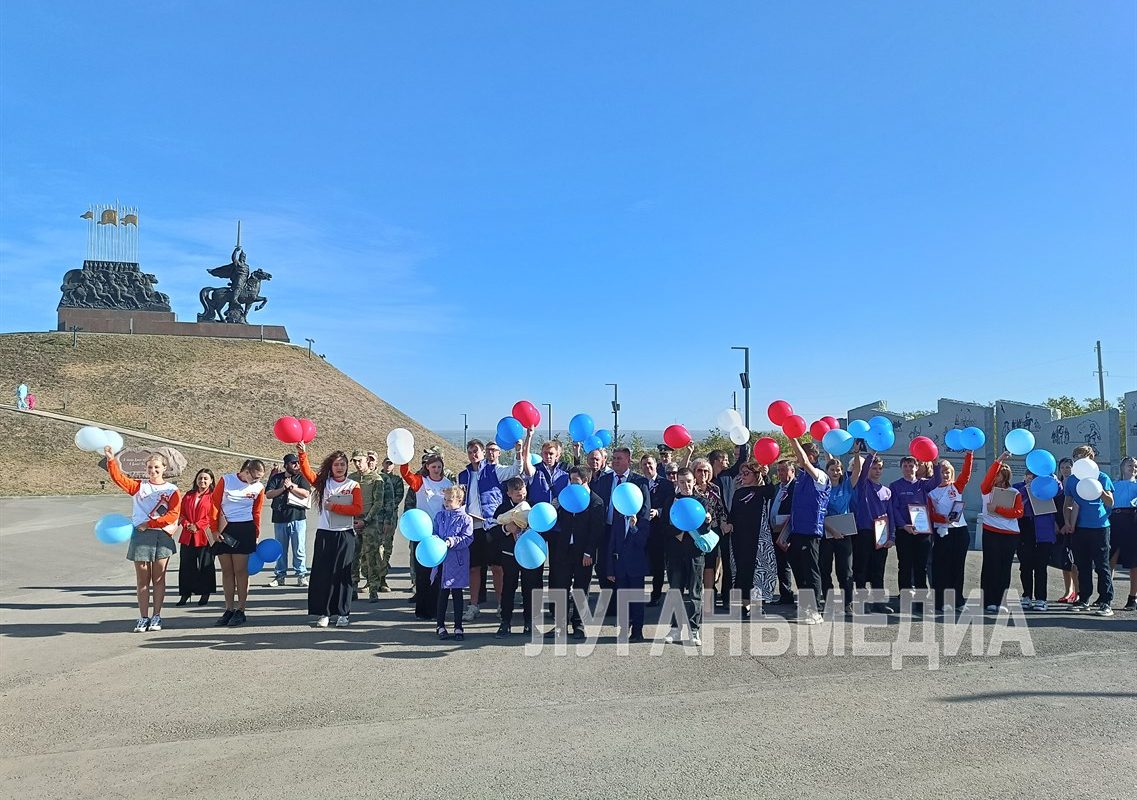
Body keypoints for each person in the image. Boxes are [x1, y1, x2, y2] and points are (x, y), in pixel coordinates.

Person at [103, 446, 181, 632]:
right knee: (142, 580)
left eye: (156, 468)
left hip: (162, 535)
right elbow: (119, 479)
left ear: (164, 468)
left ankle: (156, 616)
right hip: (140, 535)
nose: (153, 471)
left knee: (159, 578)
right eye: (149, 468)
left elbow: (172, 514)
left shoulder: (172, 490)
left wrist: (150, 524)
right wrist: (111, 460)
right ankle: (143, 617)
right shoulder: (139, 486)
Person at [298, 444, 364, 627]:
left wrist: (334, 507)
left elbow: (357, 509)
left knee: (342, 575)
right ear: (331, 466)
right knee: (324, 575)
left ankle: (343, 613)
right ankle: (325, 613)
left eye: (343, 464)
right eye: (336, 464)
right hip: (325, 534)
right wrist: (302, 453)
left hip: (345, 535)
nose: (340, 467)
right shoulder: (324, 482)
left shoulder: (353, 485)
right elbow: (307, 473)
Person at [459, 439, 521, 621]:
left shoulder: (494, 470)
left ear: (482, 452)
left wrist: (518, 452)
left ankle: (502, 605)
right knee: (474, 568)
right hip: (472, 526)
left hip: (492, 525)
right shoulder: (463, 475)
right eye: (470, 451)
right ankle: (473, 605)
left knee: (497, 568)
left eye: (476, 451)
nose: (473, 454)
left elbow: (515, 471)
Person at [549, 466, 605, 639]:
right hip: (564, 550)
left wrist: (589, 553)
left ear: (585, 481)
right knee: (561, 587)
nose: (571, 483)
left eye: (574, 480)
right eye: (570, 480)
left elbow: (597, 530)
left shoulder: (596, 501)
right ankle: (560, 626)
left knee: (581, 589)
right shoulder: (565, 497)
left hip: (584, 554)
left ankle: (578, 625)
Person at [211, 459, 266, 627]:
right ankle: (228, 608)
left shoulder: (258, 488)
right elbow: (214, 504)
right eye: (255, 477)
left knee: (240, 571)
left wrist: (256, 533)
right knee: (227, 571)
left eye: (260, 478)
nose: (257, 481)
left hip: (244, 528)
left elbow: (257, 511)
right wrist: (214, 529)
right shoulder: (227, 480)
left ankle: (241, 609)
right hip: (225, 527)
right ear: (246, 472)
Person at [401, 452, 454, 620]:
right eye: (433, 467)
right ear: (427, 468)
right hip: (422, 534)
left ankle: (436, 609)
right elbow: (405, 473)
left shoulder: (448, 484)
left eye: (439, 467)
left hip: (440, 535)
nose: (436, 470)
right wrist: (404, 457)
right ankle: (422, 610)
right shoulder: (420, 482)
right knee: (422, 574)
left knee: (438, 575)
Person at [1063, 445, 1115, 615]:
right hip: (1079, 528)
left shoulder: (1102, 477)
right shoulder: (1071, 480)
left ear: (1091, 459)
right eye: (1077, 456)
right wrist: (1067, 522)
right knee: (1082, 565)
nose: (1080, 459)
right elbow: (1067, 504)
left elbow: (1110, 502)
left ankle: (1106, 601)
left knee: (1102, 566)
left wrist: (1098, 490)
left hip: (1100, 527)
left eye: (1084, 456)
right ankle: (1084, 598)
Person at [784, 437, 830, 623]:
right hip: (797, 530)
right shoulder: (801, 478)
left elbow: (802, 461)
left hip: (810, 531)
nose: (797, 459)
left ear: (810, 456)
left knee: (811, 571)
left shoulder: (820, 476)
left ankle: (815, 610)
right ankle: (805, 607)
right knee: (799, 570)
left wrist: (792, 437)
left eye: (799, 455)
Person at [663, 467, 710, 646]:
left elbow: (705, 530)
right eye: (682, 482)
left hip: (695, 554)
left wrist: (706, 521)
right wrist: (681, 532)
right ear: (677, 483)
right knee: (675, 591)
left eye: (689, 481)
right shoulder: (671, 501)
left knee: (695, 592)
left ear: (694, 481)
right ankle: (675, 629)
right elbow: (665, 527)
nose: (686, 485)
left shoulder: (701, 501)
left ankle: (694, 630)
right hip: (675, 553)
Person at [492, 476, 542, 637]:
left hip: (530, 554)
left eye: (523, 493)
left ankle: (530, 622)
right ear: (509, 494)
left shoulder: (533, 507)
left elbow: (543, 526)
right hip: (510, 554)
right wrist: (507, 528)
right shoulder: (502, 508)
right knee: (509, 587)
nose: (521, 497)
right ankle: (505, 622)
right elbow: (492, 531)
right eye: (517, 495)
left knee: (530, 588)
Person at [728, 460, 778, 617]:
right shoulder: (738, 493)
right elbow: (733, 513)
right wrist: (728, 523)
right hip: (739, 538)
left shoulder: (762, 491)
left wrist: (766, 474)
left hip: (758, 538)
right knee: (742, 570)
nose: (743, 476)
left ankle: (757, 605)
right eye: (741, 473)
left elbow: (771, 491)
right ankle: (744, 605)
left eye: (746, 473)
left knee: (758, 570)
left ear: (755, 475)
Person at [928, 449, 974, 613]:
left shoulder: (957, 487)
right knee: (941, 568)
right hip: (942, 533)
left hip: (960, 531)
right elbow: (931, 514)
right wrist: (943, 519)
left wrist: (969, 453)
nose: (945, 475)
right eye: (942, 472)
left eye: (947, 471)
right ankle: (940, 602)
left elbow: (966, 474)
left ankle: (958, 601)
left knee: (957, 567)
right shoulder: (932, 493)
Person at [850, 443, 893, 614]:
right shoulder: (863, 486)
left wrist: (892, 537)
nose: (876, 471)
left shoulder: (887, 491)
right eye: (874, 467)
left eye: (879, 468)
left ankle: (878, 603)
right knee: (861, 568)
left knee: (878, 569)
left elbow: (891, 516)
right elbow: (864, 469)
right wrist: (872, 454)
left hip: (881, 532)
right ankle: (860, 603)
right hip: (864, 532)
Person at [979, 451, 1023, 613]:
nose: (996, 478)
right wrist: (999, 460)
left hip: (1010, 534)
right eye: (995, 475)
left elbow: (1019, 512)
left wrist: (998, 509)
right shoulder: (986, 491)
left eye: (999, 476)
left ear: (1005, 478)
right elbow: (987, 479)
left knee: (1005, 568)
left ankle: (1001, 601)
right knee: (990, 566)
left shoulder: (1015, 493)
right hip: (991, 532)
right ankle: (988, 600)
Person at [889, 456, 938, 601]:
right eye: (905, 466)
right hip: (904, 531)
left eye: (911, 466)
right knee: (904, 564)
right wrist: (904, 525)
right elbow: (894, 509)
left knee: (921, 566)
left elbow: (937, 482)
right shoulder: (895, 486)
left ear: (917, 468)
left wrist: (935, 464)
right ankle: (905, 593)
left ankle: (921, 597)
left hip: (922, 531)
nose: (908, 469)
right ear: (901, 468)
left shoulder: (924, 484)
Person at [432, 485, 475, 640]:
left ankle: (458, 626)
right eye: (445, 500)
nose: (446, 503)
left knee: (457, 594)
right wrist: (436, 542)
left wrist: (453, 541)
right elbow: (434, 533)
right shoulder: (440, 516)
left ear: (459, 500)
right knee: (442, 594)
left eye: (450, 500)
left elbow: (468, 538)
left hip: (458, 562)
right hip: (442, 560)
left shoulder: (466, 519)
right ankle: (440, 625)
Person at [1015, 469, 1061, 611]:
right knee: (1025, 565)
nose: (1031, 479)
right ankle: (1026, 596)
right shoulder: (1018, 487)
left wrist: (1053, 479)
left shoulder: (1046, 486)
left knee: (1041, 566)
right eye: (1028, 477)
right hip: (1024, 528)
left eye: (1033, 477)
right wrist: (1027, 488)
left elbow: (1059, 490)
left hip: (1043, 530)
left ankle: (1041, 598)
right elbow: (1015, 500)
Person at [263, 454, 312, 588]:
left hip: (298, 518)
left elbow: (306, 493)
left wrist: (292, 487)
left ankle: (301, 575)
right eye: (293, 463)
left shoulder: (301, 478)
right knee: (281, 549)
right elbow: (268, 494)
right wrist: (283, 488)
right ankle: (280, 576)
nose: (296, 465)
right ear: (286, 465)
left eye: (297, 463)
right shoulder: (277, 478)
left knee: (299, 549)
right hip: (280, 518)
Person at [709, 445, 747, 607]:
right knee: (709, 563)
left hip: (726, 526)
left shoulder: (727, 475)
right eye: (724, 459)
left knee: (727, 561)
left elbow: (741, 460)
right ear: (715, 461)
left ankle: (727, 595)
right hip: (710, 527)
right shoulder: (707, 478)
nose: (727, 462)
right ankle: (709, 593)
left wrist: (744, 441)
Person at [690, 457, 728, 608]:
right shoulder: (690, 489)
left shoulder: (715, 488)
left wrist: (724, 522)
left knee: (711, 565)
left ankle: (709, 598)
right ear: (694, 472)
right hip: (696, 531)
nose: (703, 473)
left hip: (714, 531)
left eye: (706, 471)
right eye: (700, 470)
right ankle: (696, 595)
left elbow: (720, 508)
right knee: (699, 564)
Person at [176, 468, 217, 606]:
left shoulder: (214, 496)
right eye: (200, 478)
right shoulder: (188, 495)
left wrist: (198, 525)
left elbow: (213, 516)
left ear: (211, 481)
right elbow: (180, 514)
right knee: (186, 566)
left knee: (206, 566)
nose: (202, 481)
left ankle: (205, 593)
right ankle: (185, 594)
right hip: (188, 535)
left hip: (205, 535)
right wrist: (187, 524)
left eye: (206, 478)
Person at [820, 457, 856, 614]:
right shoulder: (822, 489)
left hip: (844, 533)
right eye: (832, 469)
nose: (835, 472)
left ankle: (847, 603)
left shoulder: (847, 486)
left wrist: (856, 453)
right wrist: (832, 531)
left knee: (845, 570)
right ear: (826, 472)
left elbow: (858, 471)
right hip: (826, 533)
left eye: (838, 469)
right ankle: (828, 602)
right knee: (824, 569)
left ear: (842, 471)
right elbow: (819, 515)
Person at [640, 453, 674, 606]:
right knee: (639, 564)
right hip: (641, 529)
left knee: (658, 565)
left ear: (655, 465)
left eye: (650, 464)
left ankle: (656, 595)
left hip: (658, 530)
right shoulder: (638, 483)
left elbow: (669, 505)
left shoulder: (666, 484)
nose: (647, 467)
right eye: (644, 465)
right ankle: (637, 595)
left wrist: (658, 511)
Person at [347, 450, 380, 599]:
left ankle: (373, 588)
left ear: (367, 460)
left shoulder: (376, 479)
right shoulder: (351, 478)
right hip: (353, 521)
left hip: (369, 522)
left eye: (360, 460)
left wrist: (365, 521)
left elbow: (378, 503)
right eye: (355, 461)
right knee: (353, 556)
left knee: (371, 556)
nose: (357, 464)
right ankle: (353, 586)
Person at [767, 459, 797, 606]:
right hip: (776, 531)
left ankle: (805, 596)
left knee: (796, 564)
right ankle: (786, 594)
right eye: (778, 470)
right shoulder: (777, 487)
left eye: (784, 470)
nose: (780, 473)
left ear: (792, 471)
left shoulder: (796, 487)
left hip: (791, 531)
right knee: (782, 564)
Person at [1109, 456, 1137, 611]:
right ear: (1122, 467)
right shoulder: (1114, 485)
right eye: (1129, 465)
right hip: (1116, 520)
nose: (1132, 468)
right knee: (1111, 559)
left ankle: (1133, 597)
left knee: (1134, 561)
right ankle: (1107, 595)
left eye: (1135, 466)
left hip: (1132, 521)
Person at [377, 458, 404, 593]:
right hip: (375, 517)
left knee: (387, 547)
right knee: (374, 549)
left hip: (390, 517)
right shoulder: (377, 477)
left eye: (391, 463)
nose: (388, 465)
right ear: (382, 464)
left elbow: (398, 497)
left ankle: (382, 578)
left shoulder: (397, 480)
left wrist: (386, 507)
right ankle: (372, 578)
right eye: (386, 463)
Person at [1055, 457, 1078, 602]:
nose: (1065, 470)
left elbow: (1074, 505)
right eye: (1063, 467)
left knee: (1074, 561)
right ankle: (1067, 591)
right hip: (1059, 526)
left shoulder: (1077, 485)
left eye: (1068, 467)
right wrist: (1056, 524)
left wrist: (1068, 523)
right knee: (1064, 561)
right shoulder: (1057, 486)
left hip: (1073, 526)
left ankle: (1077, 591)